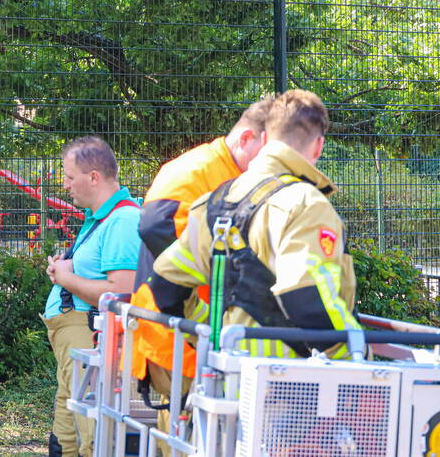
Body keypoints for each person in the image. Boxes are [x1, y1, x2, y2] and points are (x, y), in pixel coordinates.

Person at [150, 89, 359, 361]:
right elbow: (305, 296)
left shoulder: (213, 202)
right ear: (318, 145)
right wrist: (355, 358)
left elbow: (166, 285)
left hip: (225, 383)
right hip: (289, 387)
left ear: (265, 138)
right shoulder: (305, 204)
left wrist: (212, 335)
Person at [130, 97, 272, 396]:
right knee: (194, 430)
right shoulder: (198, 170)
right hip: (179, 335)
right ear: (247, 138)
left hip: (197, 335)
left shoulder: (231, 173)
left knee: (189, 430)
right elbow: (155, 227)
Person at [44, 136, 142, 457]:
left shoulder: (123, 221)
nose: (66, 185)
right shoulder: (100, 219)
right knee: (67, 436)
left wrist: (67, 278)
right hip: (76, 345)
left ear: (94, 177)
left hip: (92, 340)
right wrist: (66, 269)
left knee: (91, 436)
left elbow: (121, 291)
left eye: (70, 177)